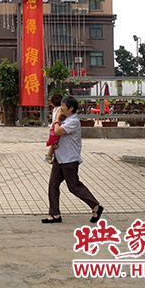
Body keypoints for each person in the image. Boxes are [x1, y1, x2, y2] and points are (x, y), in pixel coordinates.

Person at [42, 95, 104, 224]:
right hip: (60, 158)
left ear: (71, 109)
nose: (61, 108)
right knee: (53, 185)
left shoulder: (73, 121)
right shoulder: (66, 119)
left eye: (63, 106)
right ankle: (54, 214)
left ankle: (96, 206)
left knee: (74, 186)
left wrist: (56, 120)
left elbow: (57, 131)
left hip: (69, 160)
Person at [45, 94, 63, 164]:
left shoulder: (55, 109)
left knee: (54, 143)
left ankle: (51, 156)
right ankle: (49, 156)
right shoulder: (60, 109)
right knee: (55, 144)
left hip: (53, 127)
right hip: (56, 127)